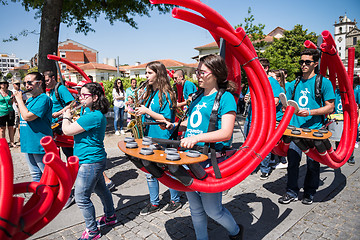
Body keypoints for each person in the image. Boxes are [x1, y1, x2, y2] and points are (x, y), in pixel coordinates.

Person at [161, 54, 243, 240]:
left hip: (211, 161)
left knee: (213, 210)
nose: (197, 75)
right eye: (197, 71)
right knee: (196, 209)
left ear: (215, 74)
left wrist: (197, 138)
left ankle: (236, 232)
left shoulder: (226, 98)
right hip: (190, 158)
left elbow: (226, 132)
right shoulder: (198, 96)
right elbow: (193, 123)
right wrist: (175, 125)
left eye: (202, 72)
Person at [279, 48, 335, 205]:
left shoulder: (323, 82)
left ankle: (309, 192)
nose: (303, 64)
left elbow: (330, 107)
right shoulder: (294, 83)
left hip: (314, 131)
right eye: (301, 61)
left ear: (315, 64)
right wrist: (284, 107)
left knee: (312, 164)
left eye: (307, 62)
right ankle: (291, 192)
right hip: (295, 130)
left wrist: (311, 111)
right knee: (293, 161)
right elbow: (285, 102)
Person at [62, 82, 117, 240]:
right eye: (80, 94)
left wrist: (66, 116)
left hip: (90, 161)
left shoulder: (94, 116)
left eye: (84, 95)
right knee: (102, 190)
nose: (80, 97)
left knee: (81, 197)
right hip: (92, 159)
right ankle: (110, 216)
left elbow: (67, 131)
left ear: (95, 97)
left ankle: (92, 231)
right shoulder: (89, 111)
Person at [134, 61, 182, 215]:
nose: (146, 76)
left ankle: (175, 200)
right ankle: (154, 203)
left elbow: (165, 118)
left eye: (149, 73)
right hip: (149, 136)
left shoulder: (167, 93)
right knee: (149, 171)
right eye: (146, 73)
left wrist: (146, 110)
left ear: (158, 74)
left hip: (163, 137)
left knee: (168, 169)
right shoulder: (150, 93)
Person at [243, 58, 283, 180]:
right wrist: (247, 98)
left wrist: (258, 100)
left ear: (265, 68)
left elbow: (276, 101)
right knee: (248, 143)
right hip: (250, 118)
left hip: (264, 119)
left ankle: (264, 169)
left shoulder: (272, 82)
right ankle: (251, 166)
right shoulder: (253, 81)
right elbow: (247, 97)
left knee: (264, 144)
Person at [14, 72, 53, 182]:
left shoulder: (43, 99)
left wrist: (20, 100)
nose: (26, 86)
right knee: (36, 175)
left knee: (48, 174)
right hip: (28, 142)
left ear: (39, 83)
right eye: (25, 83)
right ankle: (42, 197)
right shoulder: (31, 99)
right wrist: (18, 104)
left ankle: (61, 196)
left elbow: (27, 116)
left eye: (30, 83)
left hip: (39, 142)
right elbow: (23, 114)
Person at [44, 70, 75, 158]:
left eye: (47, 80)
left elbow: (72, 103)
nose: (46, 83)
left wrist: (59, 113)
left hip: (62, 125)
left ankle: (73, 169)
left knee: (68, 151)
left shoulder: (61, 89)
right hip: (53, 126)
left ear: (53, 78)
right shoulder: (52, 90)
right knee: (55, 152)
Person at [0, 78, 16, 148]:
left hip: (10, 111)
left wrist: (12, 99)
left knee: (11, 127)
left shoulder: (10, 92)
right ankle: (3, 143)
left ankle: (12, 142)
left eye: (5, 83)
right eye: (2, 83)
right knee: (2, 128)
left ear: (7, 84)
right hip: (1, 112)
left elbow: (11, 103)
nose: (3, 84)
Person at [11, 78, 27, 145]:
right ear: (13, 84)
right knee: (14, 125)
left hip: (20, 110)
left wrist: (20, 102)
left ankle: (20, 138)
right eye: (17, 84)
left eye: (19, 84)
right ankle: (12, 139)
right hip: (13, 110)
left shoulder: (22, 91)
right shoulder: (11, 92)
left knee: (21, 124)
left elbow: (25, 100)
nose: (18, 85)